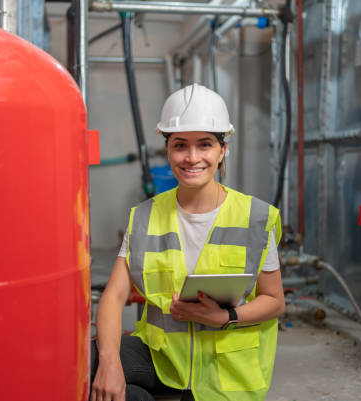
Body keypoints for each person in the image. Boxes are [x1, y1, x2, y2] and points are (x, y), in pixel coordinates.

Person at [90, 83, 285, 401]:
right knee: (88, 366)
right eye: (180, 145)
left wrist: (225, 318)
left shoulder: (255, 217)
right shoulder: (144, 216)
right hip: (163, 358)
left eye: (205, 145)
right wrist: (109, 364)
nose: (192, 157)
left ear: (222, 150)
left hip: (224, 371)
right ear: (167, 150)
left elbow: (275, 301)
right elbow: (113, 297)